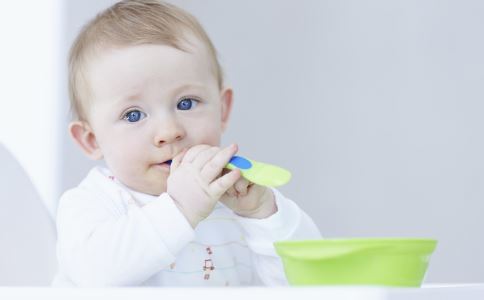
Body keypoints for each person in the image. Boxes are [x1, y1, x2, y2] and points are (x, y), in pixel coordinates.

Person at [53, 0, 321, 287]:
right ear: (91, 139)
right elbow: (95, 275)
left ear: (223, 109)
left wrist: (264, 215)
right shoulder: (92, 203)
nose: (169, 131)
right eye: (133, 115)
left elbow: (312, 283)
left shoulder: (235, 201)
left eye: (186, 103)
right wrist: (180, 207)